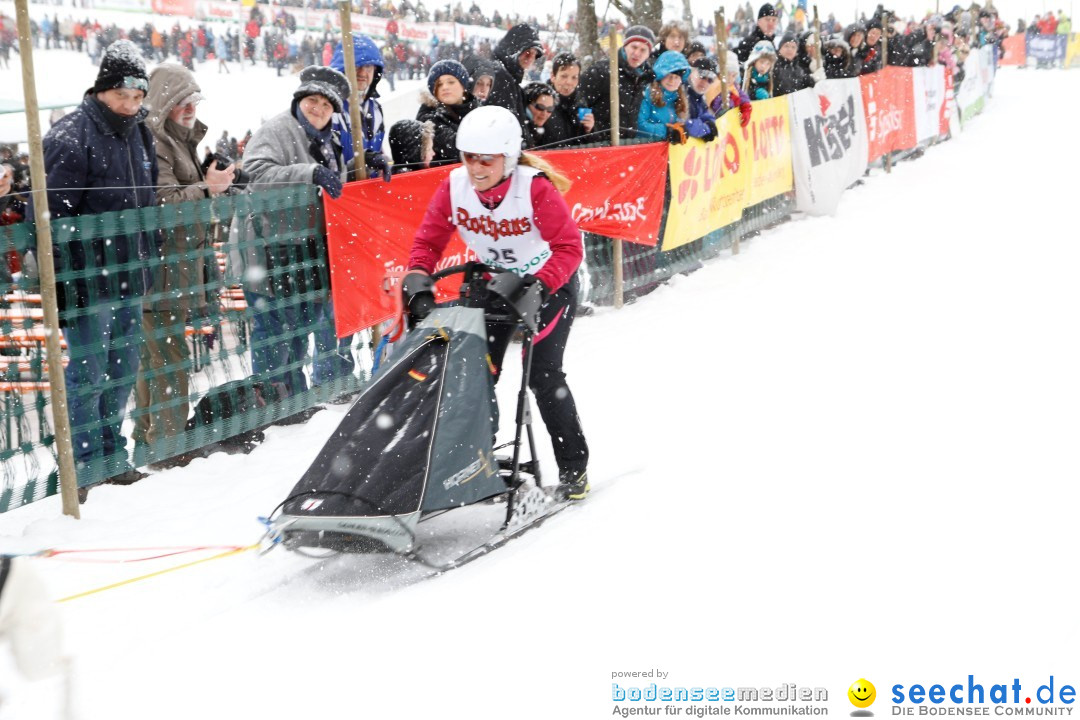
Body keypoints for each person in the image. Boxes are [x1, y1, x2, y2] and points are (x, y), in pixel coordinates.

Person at [405, 106, 590, 501]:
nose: (475, 167)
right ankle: (471, 465)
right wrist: (418, 279)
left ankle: (574, 467)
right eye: (468, 156)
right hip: (492, 285)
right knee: (472, 374)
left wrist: (540, 285)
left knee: (542, 375)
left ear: (507, 157)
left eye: (485, 159)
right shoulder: (454, 186)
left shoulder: (534, 187)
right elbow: (428, 241)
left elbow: (569, 248)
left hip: (548, 285)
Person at [42, 40, 158, 493]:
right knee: (87, 373)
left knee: (122, 368)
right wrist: (68, 283)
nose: (130, 105)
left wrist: (151, 247)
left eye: (137, 97)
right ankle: (85, 462)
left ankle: (113, 454)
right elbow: (52, 220)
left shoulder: (140, 133)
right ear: (101, 90)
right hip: (90, 280)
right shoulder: (69, 138)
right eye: (121, 96)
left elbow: (147, 198)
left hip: (132, 272)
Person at [135, 63, 235, 465]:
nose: (189, 107)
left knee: (157, 361)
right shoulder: (157, 143)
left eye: (193, 99)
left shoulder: (179, 141)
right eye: (181, 100)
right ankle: (168, 450)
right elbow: (164, 206)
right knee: (169, 361)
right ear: (165, 102)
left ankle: (150, 442)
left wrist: (212, 187)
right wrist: (207, 189)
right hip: (161, 273)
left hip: (175, 271)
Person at [240, 66, 354, 397]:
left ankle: (294, 400)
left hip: (308, 253)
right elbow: (254, 176)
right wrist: (308, 172)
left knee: (300, 331)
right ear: (300, 99)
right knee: (274, 334)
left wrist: (366, 162)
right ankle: (271, 405)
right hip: (270, 250)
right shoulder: (276, 130)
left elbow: (337, 185)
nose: (318, 109)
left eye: (326, 105)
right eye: (312, 101)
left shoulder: (331, 139)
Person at [329, 34, 393, 181]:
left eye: (369, 67)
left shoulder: (375, 109)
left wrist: (385, 163)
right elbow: (329, 166)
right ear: (343, 68)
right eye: (358, 65)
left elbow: (377, 150)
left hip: (369, 196)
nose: (364, 73)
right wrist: (357, 167)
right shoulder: (329, 108)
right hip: (342, 197)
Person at [578, 25, 656, 140]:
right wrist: (589, 125)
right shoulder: (602, 70)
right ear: (625, 46)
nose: (637, 53)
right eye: (634, 47)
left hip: (625, 147)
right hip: (597, 144)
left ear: (648, 54)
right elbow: (579, 97)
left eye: (643, 50)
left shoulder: (645, 79)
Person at [465, 23, 543, 125]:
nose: (531, 59)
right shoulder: (499, 76)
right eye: (528, 53)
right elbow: (503, 126)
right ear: (514, 50)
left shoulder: (511, 78)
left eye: (535, 55)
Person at [637, 50, 712, 144]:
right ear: (661, 75)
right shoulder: (648, 94)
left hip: (668, 154)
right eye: (669, 76)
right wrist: (666, 131)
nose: (672, 81)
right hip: (647, 149)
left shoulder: (679, 98)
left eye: (676, 77)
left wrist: (681, 129)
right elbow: (639, 125)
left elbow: (680, 123)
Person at [417, 59, 478, 165]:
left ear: (463, 86)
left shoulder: (479, 111)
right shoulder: (428, 116)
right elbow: (455, 145)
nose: (445, 87)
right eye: (439, 84)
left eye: (451, 82)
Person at [546, 52, 594, 147]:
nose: (569, 82)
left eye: (574, 77)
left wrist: (589, 130)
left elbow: (586, 145)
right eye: (564, 76)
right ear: (553, 76)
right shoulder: (542, 102)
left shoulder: (581, 103)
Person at [522, 82, 559, 147]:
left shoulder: (551, 129)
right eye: (540, 107)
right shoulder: (518, 129)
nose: (544, 113)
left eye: (550, 109)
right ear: (527, 104)